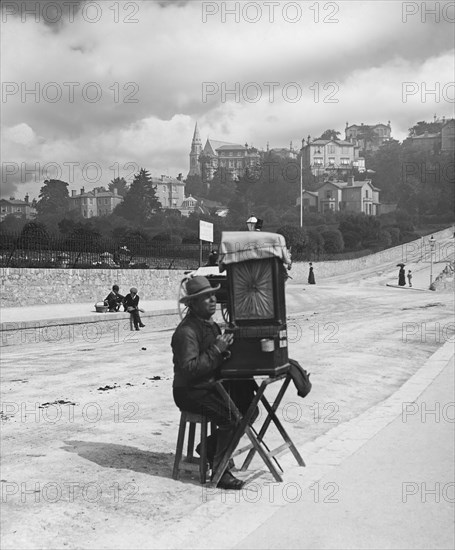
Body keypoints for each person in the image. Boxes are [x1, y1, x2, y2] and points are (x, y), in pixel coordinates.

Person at [171, 276, 254, 490]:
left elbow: (216, 359)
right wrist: (217, 349)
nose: (212, 300)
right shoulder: (186, 332)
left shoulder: (212, 326)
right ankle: (220, 470)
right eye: (205, 297)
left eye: (212, 295)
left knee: (249, 408)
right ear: (192, 304)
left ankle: (209, 449)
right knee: (230, 418)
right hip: (190, 391)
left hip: (210, 385)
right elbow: (190, 370)